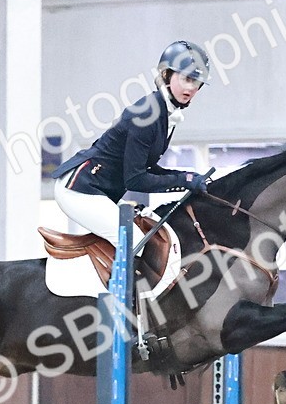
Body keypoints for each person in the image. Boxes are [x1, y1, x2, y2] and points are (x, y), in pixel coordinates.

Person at [50, 40, 212, 251]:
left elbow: (147, 168)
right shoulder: (147, 113)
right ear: (166, 75)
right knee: (134, 242)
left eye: (197, 83)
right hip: (79, 189)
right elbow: (136, 179)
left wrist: (189, 177)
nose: (192, 88)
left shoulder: (165, 113)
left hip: (98, 190)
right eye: (187, 79)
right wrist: (185, 179)